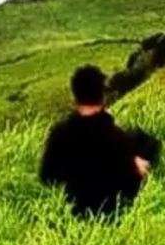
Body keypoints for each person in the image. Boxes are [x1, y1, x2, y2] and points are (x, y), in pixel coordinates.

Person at [39, 65, 154, 219]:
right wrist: (136, 167)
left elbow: (47, 176)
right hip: (115, 217)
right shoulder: (118, 138)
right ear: (103, 95)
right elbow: (130, 185)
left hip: (73, 216)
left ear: (75, 95)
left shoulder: (59, 135)